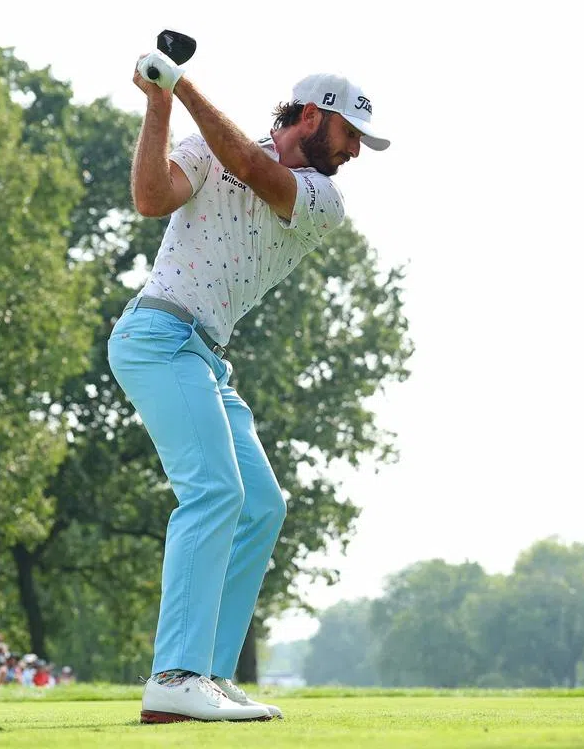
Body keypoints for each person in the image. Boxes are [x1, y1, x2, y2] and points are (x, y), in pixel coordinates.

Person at [110, 47, 388, 724]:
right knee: (215, 491)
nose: (355, 151)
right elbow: (151, 198)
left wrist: (182, 85)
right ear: (314, 117)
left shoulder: (324, 200)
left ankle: (207, 672)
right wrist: (159, 104)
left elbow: (253, 167)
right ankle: (174, 677)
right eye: (350, 133)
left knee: (260, 505)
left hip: (205, 357)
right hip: (156, 337)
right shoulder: (207, 148)